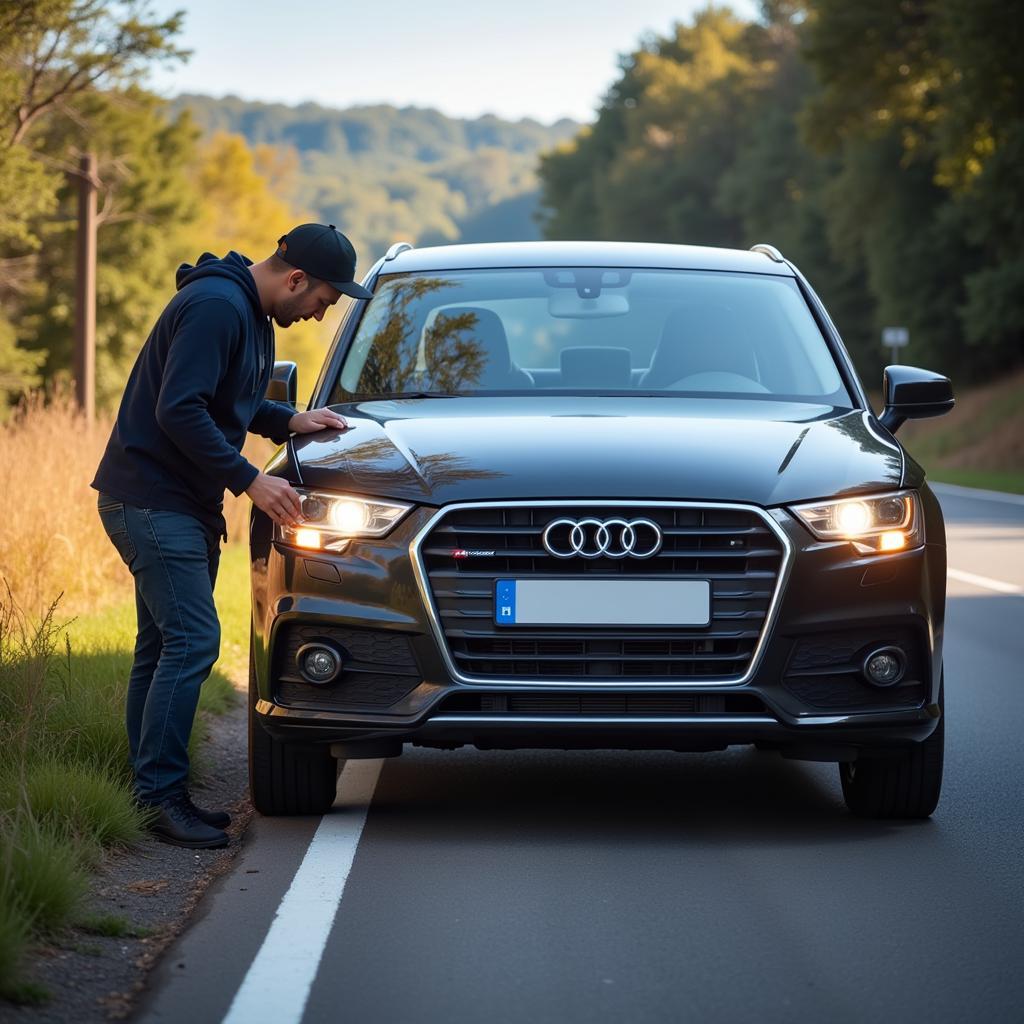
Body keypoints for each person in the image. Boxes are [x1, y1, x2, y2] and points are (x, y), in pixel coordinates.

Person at [91, 224, 372, 849]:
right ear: (295, 279)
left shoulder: (250, 312)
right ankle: (161, 797)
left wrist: (290, 418)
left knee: (159, 647)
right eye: (324, 300)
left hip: (171, 500)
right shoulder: (217, 307)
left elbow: (231, 403)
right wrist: (251, 480)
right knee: (192, 642)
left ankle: (148, 792)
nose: (321, 313)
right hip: (152, 500)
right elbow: (179, 408)